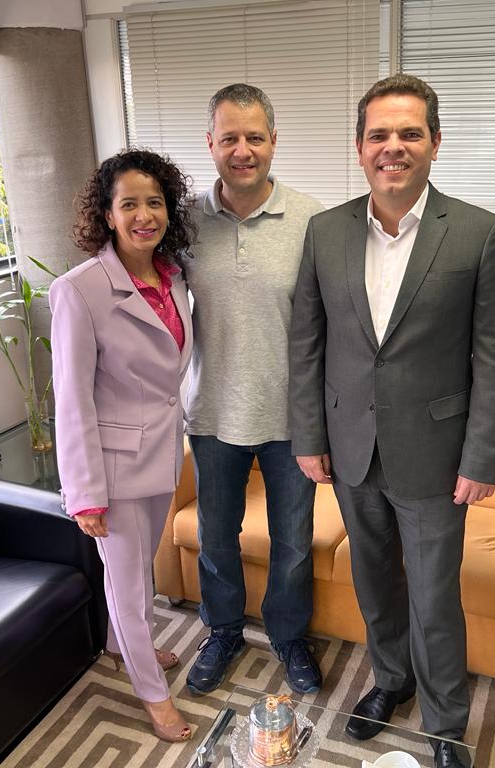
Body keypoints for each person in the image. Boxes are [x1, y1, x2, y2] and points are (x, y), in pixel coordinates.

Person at [289, 74, 495, 768]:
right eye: (379, 135)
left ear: (435, 143)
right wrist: (309, 437)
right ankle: (390, 681)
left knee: (434, 598)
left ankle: (446, 725)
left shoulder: (478, 233)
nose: (393, 146)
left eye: (410, 133)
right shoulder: (325, 231)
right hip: (350, 448)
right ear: (359, 147)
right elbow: (307, 342)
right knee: (373, 582)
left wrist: (482, 457)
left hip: (436, 456)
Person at [50, 150, 196, 743]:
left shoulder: (174, 277)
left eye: (154, 202)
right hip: (112, 469)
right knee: (130, 585)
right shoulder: (79, 290)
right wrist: (83, 492)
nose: (144, 215)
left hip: (161, 453)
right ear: (106, 215)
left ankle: (120, 642)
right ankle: (154, 697)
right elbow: (71, 399)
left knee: (139, 572)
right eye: (129, 204)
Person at [184, 83, 325, 695]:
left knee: (293, 543)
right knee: (216, 538)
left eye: (255, 137)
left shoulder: (312, 220)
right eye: (229, 138)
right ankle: (222, 631)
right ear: (210, 143)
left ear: (273, 142)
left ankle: (289, 636)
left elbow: (330, 322)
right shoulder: (182, 222)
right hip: (212, 412)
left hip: (292, 418)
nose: (242, 150)